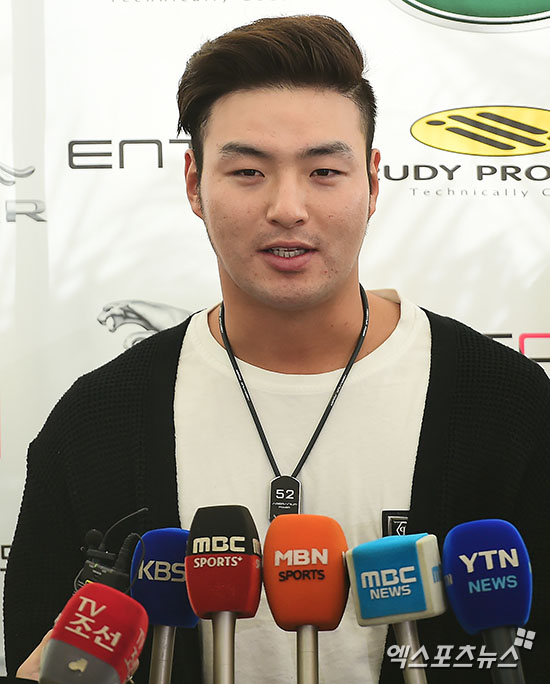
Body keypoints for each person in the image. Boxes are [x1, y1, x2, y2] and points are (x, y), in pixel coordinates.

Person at [4, 14, 549, 684]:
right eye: (247, 171)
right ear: (193, 184)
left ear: (373, 182)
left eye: (324, 170)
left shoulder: (508, 405)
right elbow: (39, 647)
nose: (288, 207)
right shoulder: (98, 421)